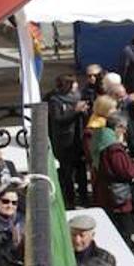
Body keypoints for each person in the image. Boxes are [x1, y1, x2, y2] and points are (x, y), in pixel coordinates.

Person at [95, 114, 134, 244]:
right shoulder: (114, 149)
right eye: (124, 128)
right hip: (117, 195)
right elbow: (125, 172)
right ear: (118, 127)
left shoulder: (101, 140)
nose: (125, 132)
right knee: (122, 227)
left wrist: (130, 161)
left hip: (105, 190)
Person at [46, 72, 89, 208]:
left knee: (81, 170)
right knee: (67, 172)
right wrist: (74, 111)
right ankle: (69, 199)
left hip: (78, 138)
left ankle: (84, 196)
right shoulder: (54, 101)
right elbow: (58, 119)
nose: (76, 85)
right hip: (64, 141)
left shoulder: (78, 96)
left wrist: (84, 111)